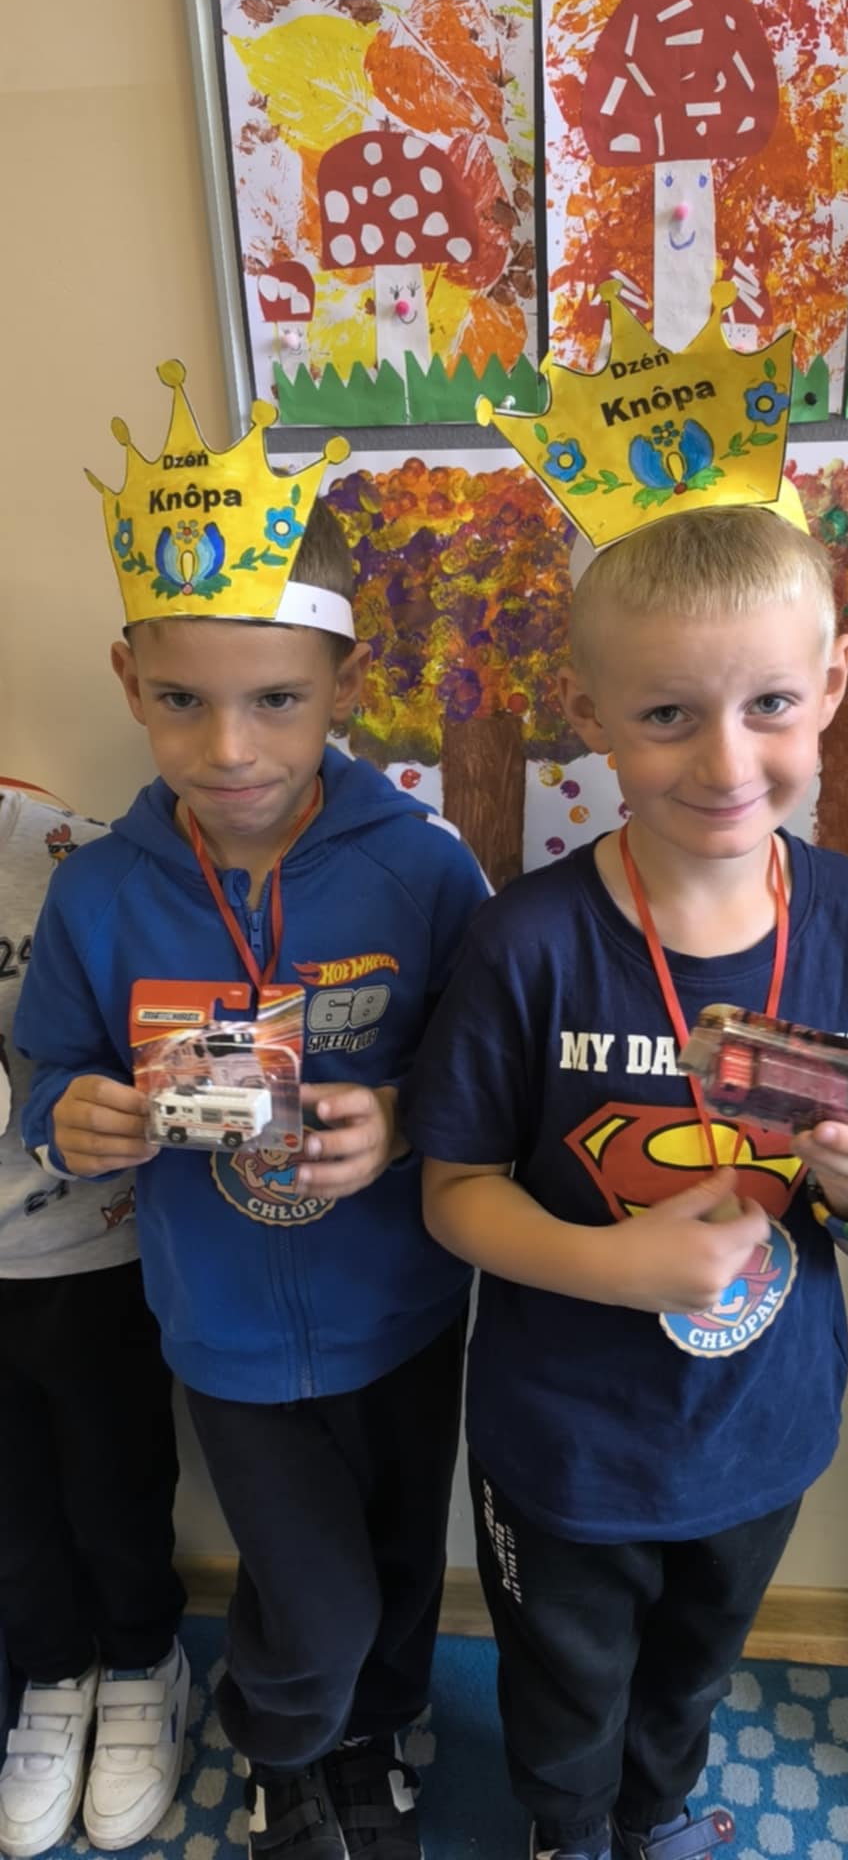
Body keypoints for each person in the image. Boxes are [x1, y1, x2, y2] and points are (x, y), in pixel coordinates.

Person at [15, 365, 487, 1860]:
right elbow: (46, 1068)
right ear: (127, 680)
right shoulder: (100, 890)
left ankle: (374, 1733)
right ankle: (285, 1750)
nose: (229, 748)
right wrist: (72, 1119)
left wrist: (400, 1115)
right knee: (309, 1591)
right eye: (183, 700)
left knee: (396, 1563)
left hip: (406, 1306)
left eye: (275, 698)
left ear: (344, 682)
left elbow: (484, 1072)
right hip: (218, 1324)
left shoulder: (422, 866)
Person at [405, 499, 848, 1860]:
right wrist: (611, 1263)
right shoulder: (523, 941)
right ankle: (568, 1828)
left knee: (692, 1669)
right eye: (665, 715)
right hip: (561, 1439)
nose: (725, 759)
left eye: (768, 704)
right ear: (589, 713)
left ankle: (652, 1811)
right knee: (562, 1683)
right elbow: (451, 1191)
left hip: (764, 1425)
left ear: (829, 684)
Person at [0, 782, 186, 1859]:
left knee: (116, 1486)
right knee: (12, 1509)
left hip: (84, 1248)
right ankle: (51, 1671)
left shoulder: (69, 854)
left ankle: (141, 1659)